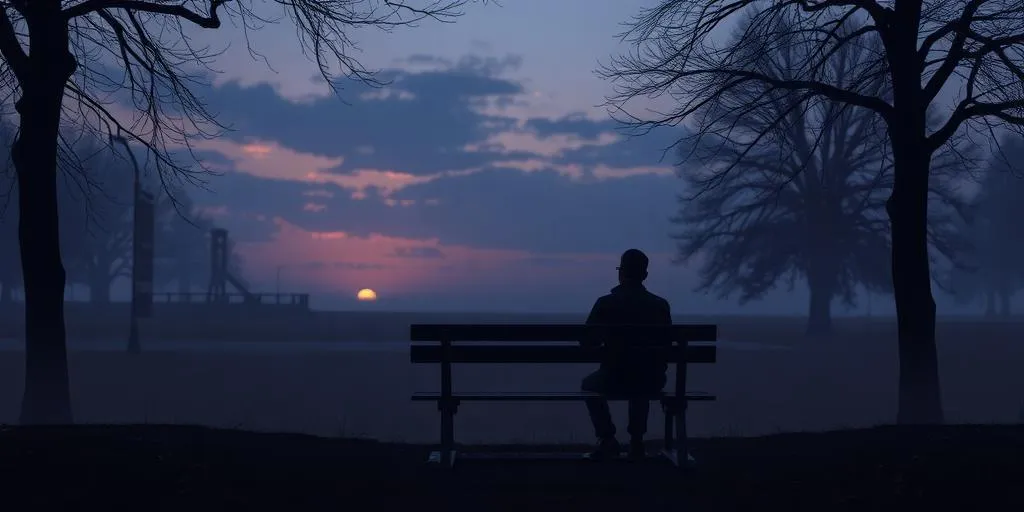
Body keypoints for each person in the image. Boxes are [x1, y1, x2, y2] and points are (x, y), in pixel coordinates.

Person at [580, 248, 673, 461]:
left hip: (615, 376)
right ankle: (637, 440)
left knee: (589, 385)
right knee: (642, 377)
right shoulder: (659, 305)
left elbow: (586, 340)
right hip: (651, 378)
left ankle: (607, 438)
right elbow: (666, 344)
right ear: (645, 275)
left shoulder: (606, 303)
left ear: (620, 273)